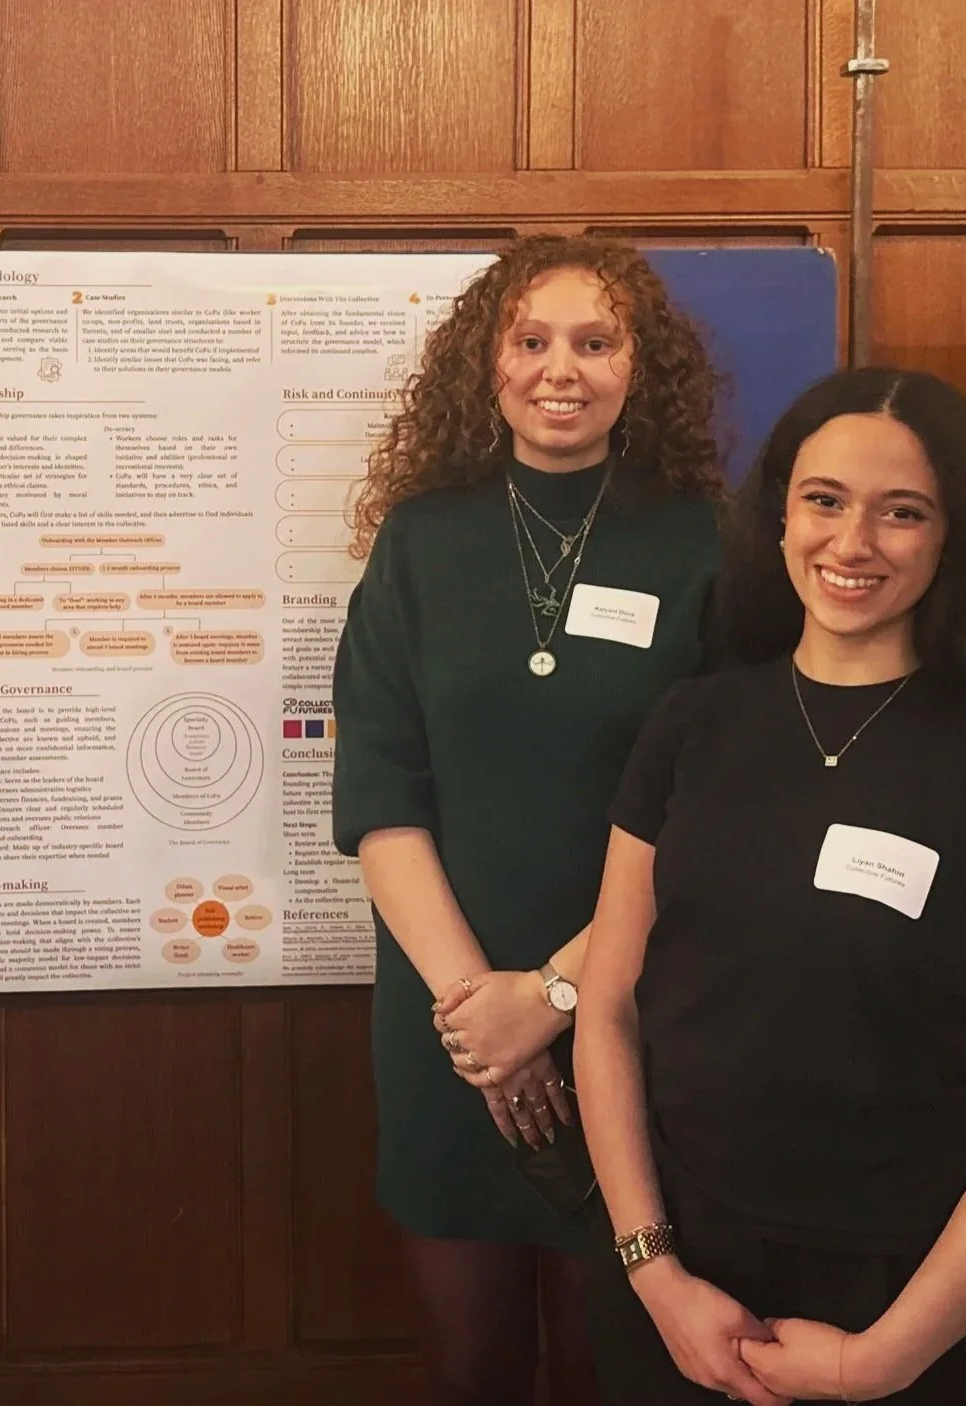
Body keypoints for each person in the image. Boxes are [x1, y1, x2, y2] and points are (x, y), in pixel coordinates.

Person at [575, 367, 966, 1404]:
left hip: (922, 1295)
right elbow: (606, 1007)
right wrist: (652, 1266)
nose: (852, 542)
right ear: (778, 512)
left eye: (900, 512)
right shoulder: (692, 724)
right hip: (679, 1271)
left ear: (954, 536)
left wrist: (885, 1354)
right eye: (824, 500)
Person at [332, 233, 727, 1405]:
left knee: (612, 1354)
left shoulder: (706, 540)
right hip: (444, 1032)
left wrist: (553, 997)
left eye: (595, 341)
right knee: (471, 1367)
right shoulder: (419, 541)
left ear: (637, 365)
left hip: (636, 1004)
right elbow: (381, 800)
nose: (562, 368)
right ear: (486, 360)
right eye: (533, 339)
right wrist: (478, 1017)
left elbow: (716, 808)